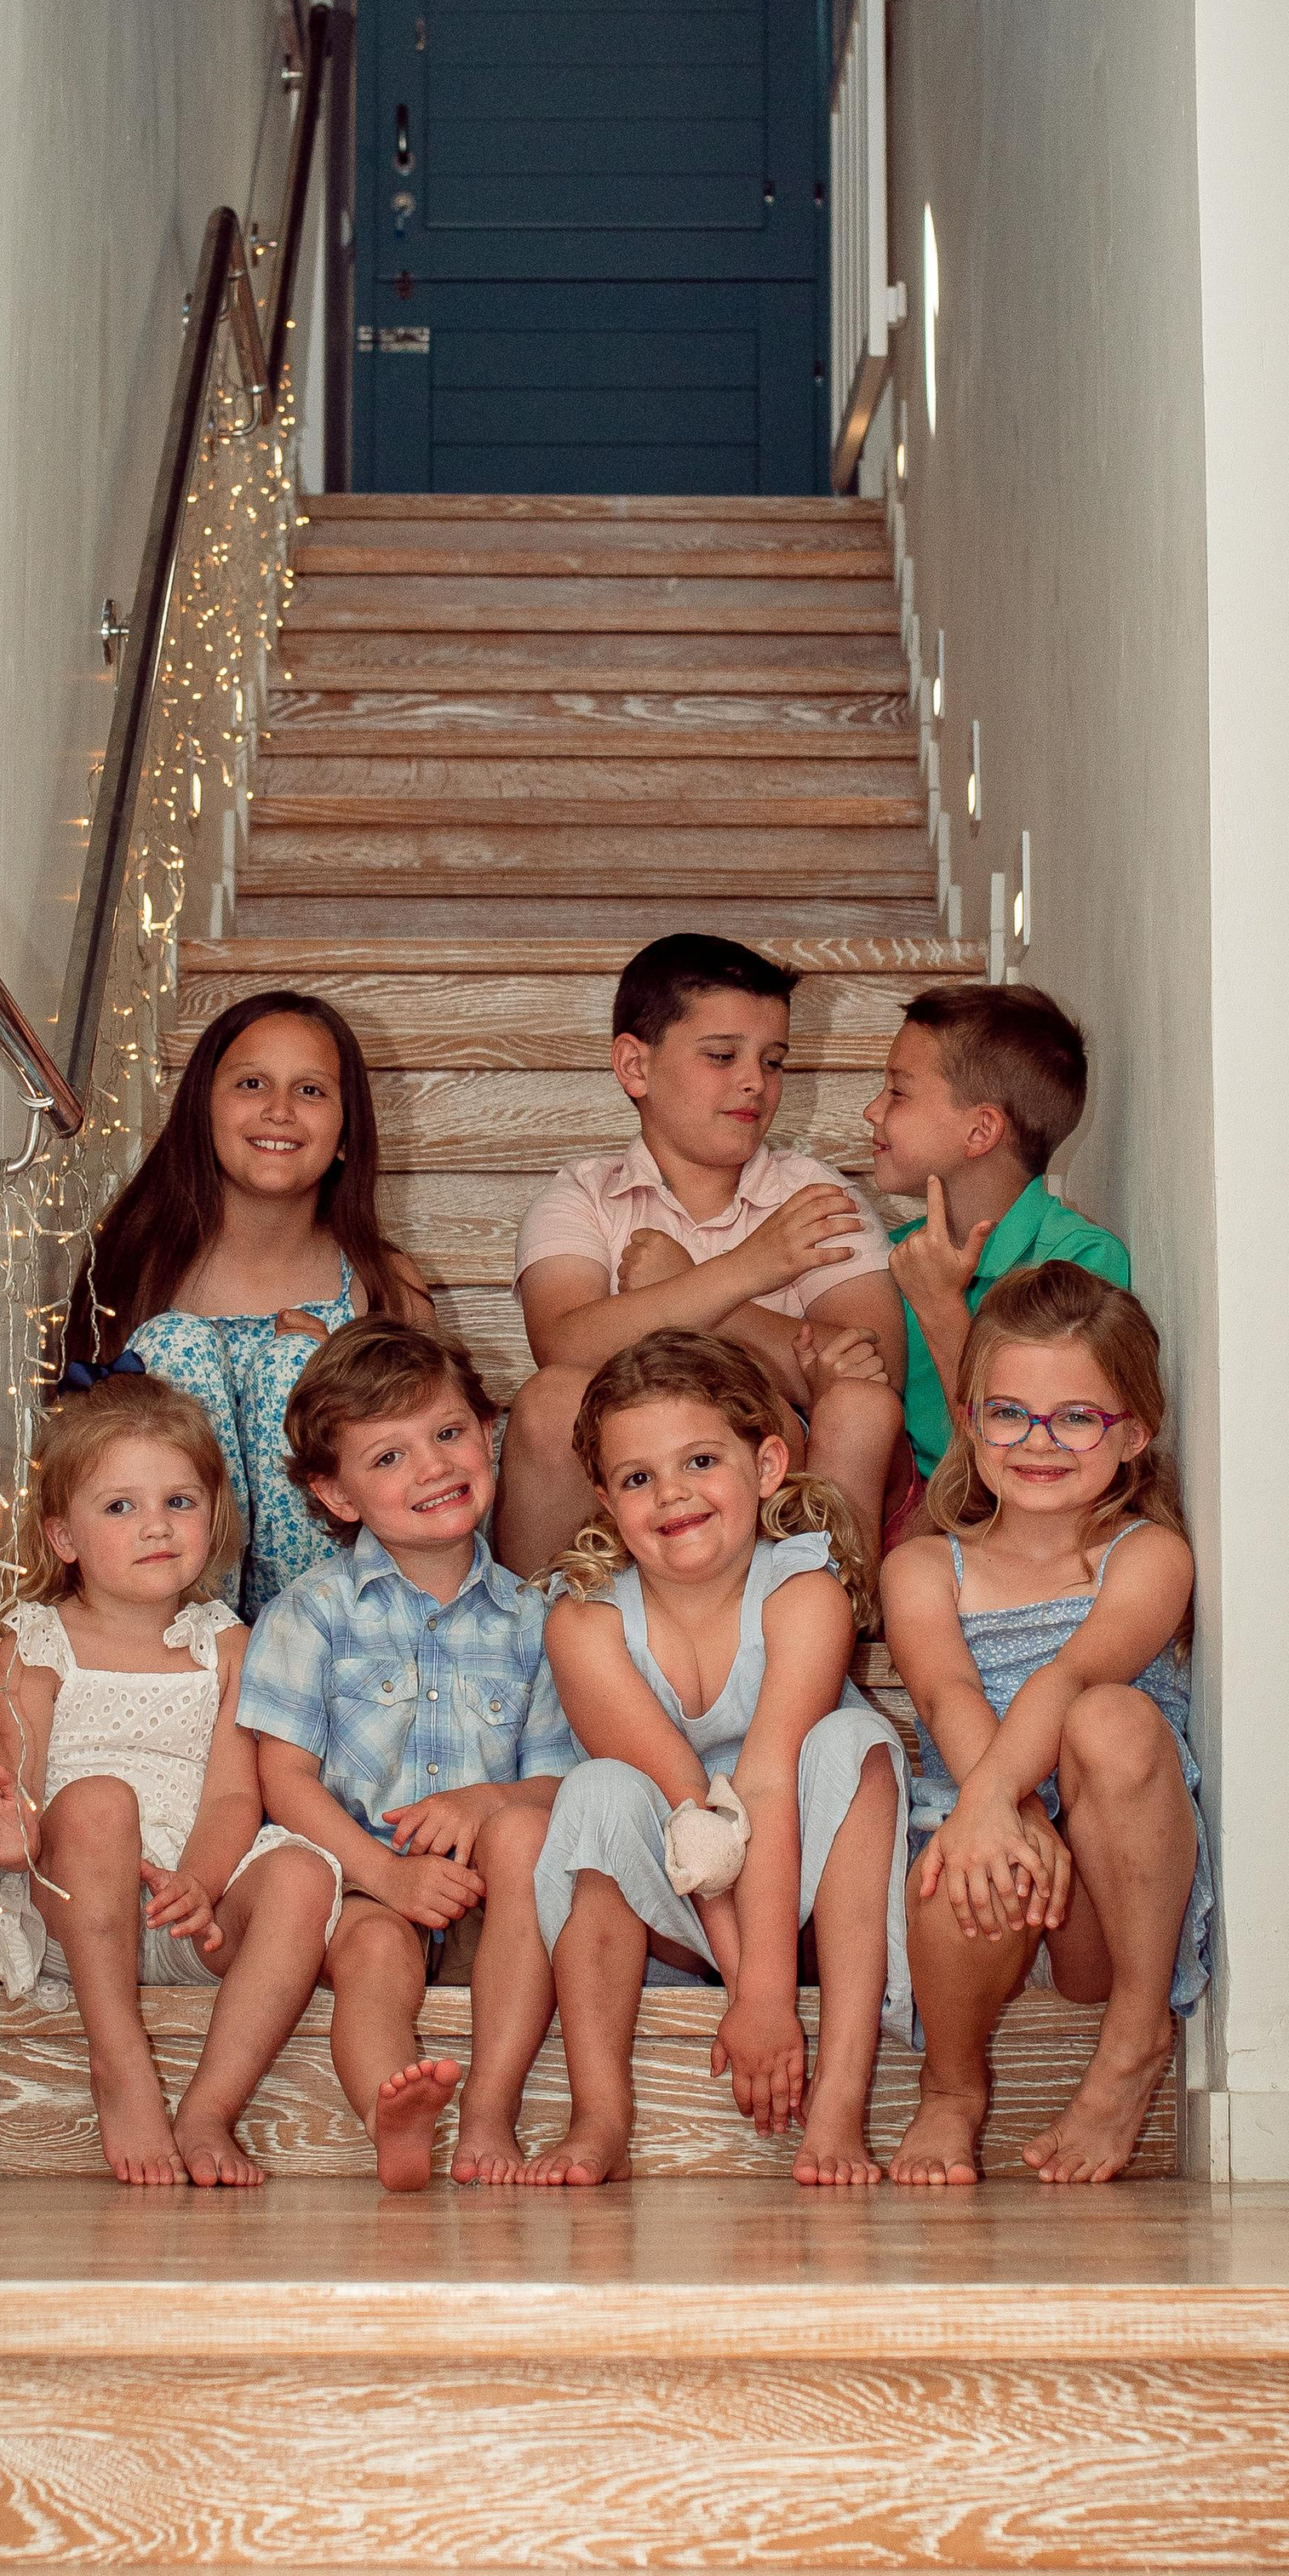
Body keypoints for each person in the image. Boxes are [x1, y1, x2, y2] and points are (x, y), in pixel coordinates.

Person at [526, 1330, 911, 2191]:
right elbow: (693, 1813)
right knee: (595, 1790)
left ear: (767, 1464)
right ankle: (600, 2112)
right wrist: (749, 1996)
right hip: (676, 1893)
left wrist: (772, 1998)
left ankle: (843, 2095)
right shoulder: (584, 1624)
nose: (672, 1495)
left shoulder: (805, 1593)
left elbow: (768, 1782)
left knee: (856, 1745)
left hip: (801, 1886)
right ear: (604, 1500)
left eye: (701, 1460)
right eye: (637, 1478)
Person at [0, 1370, 341, 2189]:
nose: (155, 1527)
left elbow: (237, 1794)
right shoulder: (37, 1640)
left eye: (179, 1502)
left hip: (189, 1907)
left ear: (214, 1515)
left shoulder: (226, 1642)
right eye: (120, 1507)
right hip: (78, 1913)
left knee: (304, 1873)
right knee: (100, 1800)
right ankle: (120, 2063)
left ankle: (208, 2110)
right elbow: (13, 1781)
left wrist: (199, 1884)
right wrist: (13, 1827)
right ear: (64, 1537)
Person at [881, 1260, 1211, 2187]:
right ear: (971, 1417)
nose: (1039, 1441)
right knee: (956, 1860)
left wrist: (996, 1795)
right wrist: (1002, 1813)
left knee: (1111, 1718)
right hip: (991, 1871)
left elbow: (1067, 1679)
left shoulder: (1147, 1558)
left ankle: (1137, 2033)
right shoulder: (922, 1569)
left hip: (1114, 1895)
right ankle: (950, 2087)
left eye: (1076, 1417)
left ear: (1134, 1432)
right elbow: (947, 1695)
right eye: (1009, 1412)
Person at [238, 1319, 575, 2188]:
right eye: (387, 1457)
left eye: (448, 1433)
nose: (432, 1466)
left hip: (483, 1899)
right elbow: (284, 1780)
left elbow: (554, 1779)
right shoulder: (309, 1613)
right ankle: (393, 2109)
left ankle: (491, 2113)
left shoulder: (538, 1621)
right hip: (359, 1886)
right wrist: (382, 1876)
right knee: (377, 1959)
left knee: (536, 1881)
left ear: (488, 1435)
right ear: (337, 1495)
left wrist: (484, 1805)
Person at [499, 934, 904, 1571]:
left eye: (774, 1062)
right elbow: (564, 1345)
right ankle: (529, 1637)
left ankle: (823, 1613)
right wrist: (745, 1271)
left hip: (768, 1475)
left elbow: (869, 1371)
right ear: (635, 1067)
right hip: (626, 1482)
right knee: (552, 1400)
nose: (755, 1083)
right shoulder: (586, 1196)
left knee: (855, 1403)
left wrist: (702, 1288)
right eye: (722, 1055)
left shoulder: (815, 1199)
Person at [63, 990, 433, 1615]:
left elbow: (431, 1458)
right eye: (252, 1084)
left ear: (345, 1133)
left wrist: (343, 1381)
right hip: (170, 1603)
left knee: (300, 1364)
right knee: (172, 1343)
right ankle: (202, 1634)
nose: (280, 1111)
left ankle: (298, 1648)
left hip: (339, 1617)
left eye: (311, 1091)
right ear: (202, 1113)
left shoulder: (383, 1282)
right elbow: (82, 1454)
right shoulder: (136, 1269)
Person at [864, 983, 1130, 1534]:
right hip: (920, 1514)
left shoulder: (1078, 1259)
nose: (872, 1111)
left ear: (981, 1130)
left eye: (897, 1091)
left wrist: (939, 1305)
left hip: (1025, 1519)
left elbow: (1029, 1442)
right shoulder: (897, 1255)